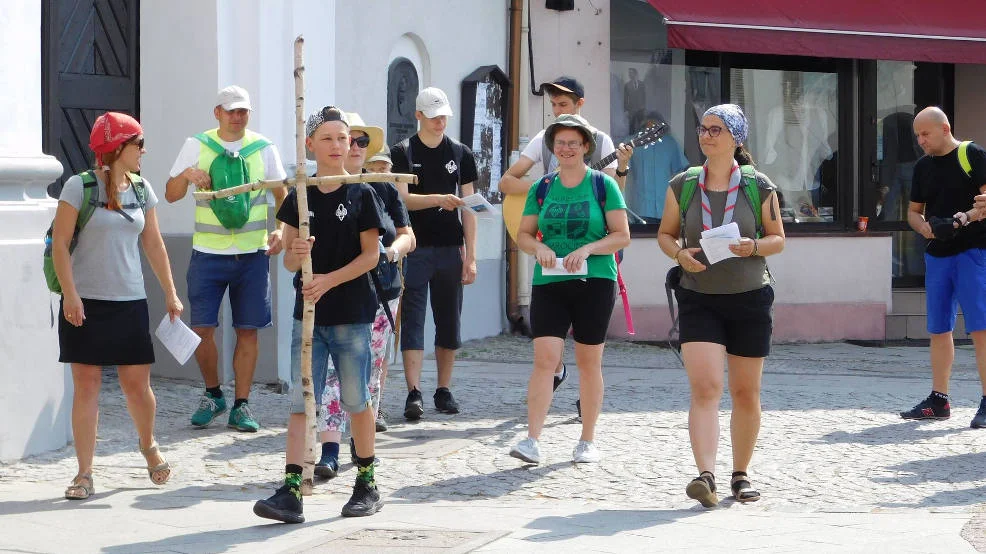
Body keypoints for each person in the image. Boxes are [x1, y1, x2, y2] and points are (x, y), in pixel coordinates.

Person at [253, 106, 386, 523]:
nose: (336, 146)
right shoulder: (300, 194)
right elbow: (292, 263)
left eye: (342, 139)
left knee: (354, 398)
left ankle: (366, 481)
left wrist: (328, 280)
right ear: (309, 145)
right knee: (301, 400)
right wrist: (296, 254)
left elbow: (370, 257)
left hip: (350, 313)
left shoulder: (362, 194)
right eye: (326, 139)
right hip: (307, 314)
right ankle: (292, 489)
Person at [656, 104, 785, 507]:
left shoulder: (758, 185)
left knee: (746, 392)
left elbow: (778, 239)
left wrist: (754, 246)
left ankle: (740, 475)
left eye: (716, 129)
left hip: (750, 298)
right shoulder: (683, 184)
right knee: (706, 387)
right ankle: (705, 475)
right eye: (703, 128)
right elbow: (665, 234)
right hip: (699, 297)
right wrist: (679, 256)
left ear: (736, 138)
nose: (706, 135)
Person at [52, 112, 183, 500]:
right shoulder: (79, 187)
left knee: (137, 386)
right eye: (138, 143)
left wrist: (171, 292)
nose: (144, 150)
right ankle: (84, 473)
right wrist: (71, 295)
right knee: (86, 385)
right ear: (117, 147)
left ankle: (148, 445)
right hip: (86, 302)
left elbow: (155, 245)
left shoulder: (143, 190)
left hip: (130, 301)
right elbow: (59, 244)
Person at [508, 114, 631, 465]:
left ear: (586, 147)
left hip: (595, 281)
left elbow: (621, 235)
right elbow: (525, 235)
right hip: (550, 281)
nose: (566, 148)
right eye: (560, 142)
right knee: (545, 360)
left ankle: (587, 440)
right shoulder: (542, 188)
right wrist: (539, 248)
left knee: (589, 362)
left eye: (573, 143)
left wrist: (587, 249)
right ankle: (532, 440)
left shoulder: (603, 186)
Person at [499, 76, 633, 396]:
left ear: (579, 105)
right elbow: (506, 182)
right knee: (550, 325)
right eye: (554, 105)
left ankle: (584, 400)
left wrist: (622, 169)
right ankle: (556, 369)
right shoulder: (545, 140)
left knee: (589, 334)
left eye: (563, 105)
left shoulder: (601, 143)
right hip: (552, 242)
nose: (557, 111)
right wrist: (547, 191)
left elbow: (615, 197)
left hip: (594, 246)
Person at [165, 85, 287, 433]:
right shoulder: (197, 145)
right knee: (202, 329)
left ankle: (242, 405)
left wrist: (281, 230)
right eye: (231, 110)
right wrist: (186, 176)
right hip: (208, 254)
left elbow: (282, 196)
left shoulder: (263, 148)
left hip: (252, 255)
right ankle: (213, 393)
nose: (237, 116)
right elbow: (171, 195)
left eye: (243, 110)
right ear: (216, 112)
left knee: (248, 331)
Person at [316, 113, 415, 477]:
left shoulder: (384, 187)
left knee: (368, 372)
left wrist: (392, 250)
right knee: (329, 373)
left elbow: (408, 234)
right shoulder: (321, 186)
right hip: (332, 293)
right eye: (347, 139)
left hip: (380, 291)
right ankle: (328, 449)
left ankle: (361, 446)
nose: (354, 147)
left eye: (360, 141)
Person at [390, 87, 478, 420]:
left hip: (449, 248)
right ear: (419, 116)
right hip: (415, 247)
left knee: (449, 319)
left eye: (443, 116)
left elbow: (469, 207)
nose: (440, 122)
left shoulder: (461, 153)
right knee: (412, 319)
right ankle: (414, 392)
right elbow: (401, 199)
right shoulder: (402, 152)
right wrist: (437, 199)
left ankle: (444, 388)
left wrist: (471, 256)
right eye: (433, 116)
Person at [901, 106, 986, 429]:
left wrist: (962, 219)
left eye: (926, 134)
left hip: (974, 251)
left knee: (981, 329)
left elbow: (985, 201)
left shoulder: (972, 155)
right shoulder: (923, 167)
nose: (921, 140)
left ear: (945, 128)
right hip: (937, 254)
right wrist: (924, 228)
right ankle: (939, 400)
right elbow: (913, 212)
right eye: (917, 135)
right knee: (939, 329)